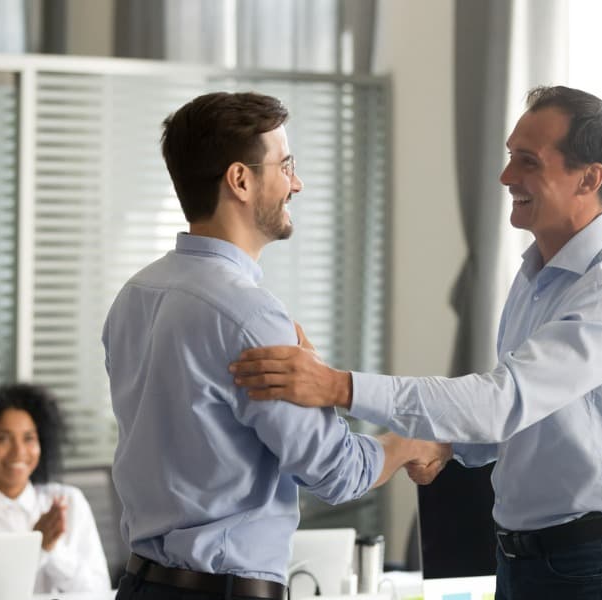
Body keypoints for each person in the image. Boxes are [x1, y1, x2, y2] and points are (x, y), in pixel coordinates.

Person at [230, 85, 602, 600]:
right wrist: (442, 444)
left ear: (589, 178)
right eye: (510, 158)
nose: (507, 177)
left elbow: (501, 403)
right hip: (525, 557)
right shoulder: (537, 274)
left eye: (527, 162)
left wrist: (337, 387)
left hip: (593, 564)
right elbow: (523, 421)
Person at [102, 91, 440, 600]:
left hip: (141, 584)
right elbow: (336, 472)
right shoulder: (250, 315)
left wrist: (315, 382)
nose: (296, 183)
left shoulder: (135, 295)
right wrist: (412, 441)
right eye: (286, 166)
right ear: (240, 180)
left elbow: (218, 440)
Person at [0, 383, 111, 594]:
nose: (19, 451)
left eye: (29, 438)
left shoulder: (68, 501)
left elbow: (99, 591)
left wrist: (53, 549)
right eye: (2, 439)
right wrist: (37, 546)